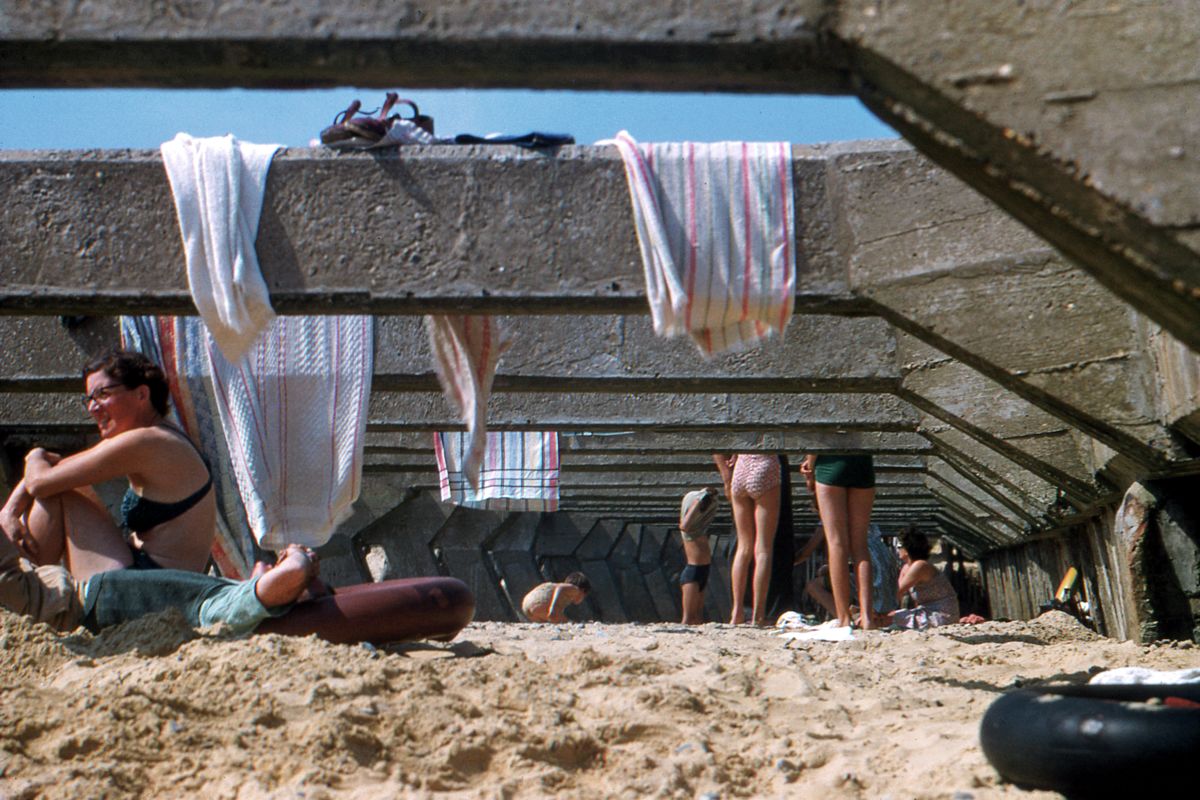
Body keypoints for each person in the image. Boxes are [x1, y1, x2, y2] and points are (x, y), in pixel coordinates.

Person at [1, 349, 216, 580]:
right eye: (89, 399)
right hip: (147, 574)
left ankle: (24, 586)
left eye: (102, 394)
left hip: (152, 588)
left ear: (142, 394)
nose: (93, 408)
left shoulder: (147, 441)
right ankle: (23, 584)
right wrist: (9, 511)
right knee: (66, 484)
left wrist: (34, 454)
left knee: (56, 493)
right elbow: (56, 472)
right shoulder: (157, 433)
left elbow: (39, 483)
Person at [0, 527, 317, 635]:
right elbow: (273, 584)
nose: (271, 563)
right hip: (64, 596)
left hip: (66, 604)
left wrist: (299, 558)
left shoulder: (217, 610)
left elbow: (291, 575)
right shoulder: (227, 596)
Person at [801, 453, 876, 629]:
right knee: (860, 546)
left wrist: (810, 467)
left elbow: (818, 442)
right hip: (862, 463)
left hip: (829, 464)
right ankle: (867, 617)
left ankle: (844, 618)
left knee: (836, 544)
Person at [713, 453, 782, 625]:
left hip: (741, 468)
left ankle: (736, 612)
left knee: (743, 548)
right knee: (763, 548)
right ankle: (758, 615)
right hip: (766, 464)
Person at [885, 526, 960, 629]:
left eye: (899, 546)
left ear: (906, 549)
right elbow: (897, 595)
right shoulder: (907, 567)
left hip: (941, 615)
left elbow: (897, 592)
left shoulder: (920, 566)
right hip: (926, 611)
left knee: (888, 619)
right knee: (892, 616)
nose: (897, 550)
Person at [677, 487, 718, 624]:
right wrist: (699, 500)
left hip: (702, 570)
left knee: (696, 619)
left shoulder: (699, 527)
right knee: (688, 619)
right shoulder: (691, 528)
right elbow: (684, 525)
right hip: (693, 572)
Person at [521, 572, 591, 623]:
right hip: (540, 604)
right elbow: (560, 587)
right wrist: (553, 608)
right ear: (583, 590)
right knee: (567, 622)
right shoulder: (575, 589)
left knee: (554, 621)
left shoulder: (564, 595)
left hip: (526, 606)